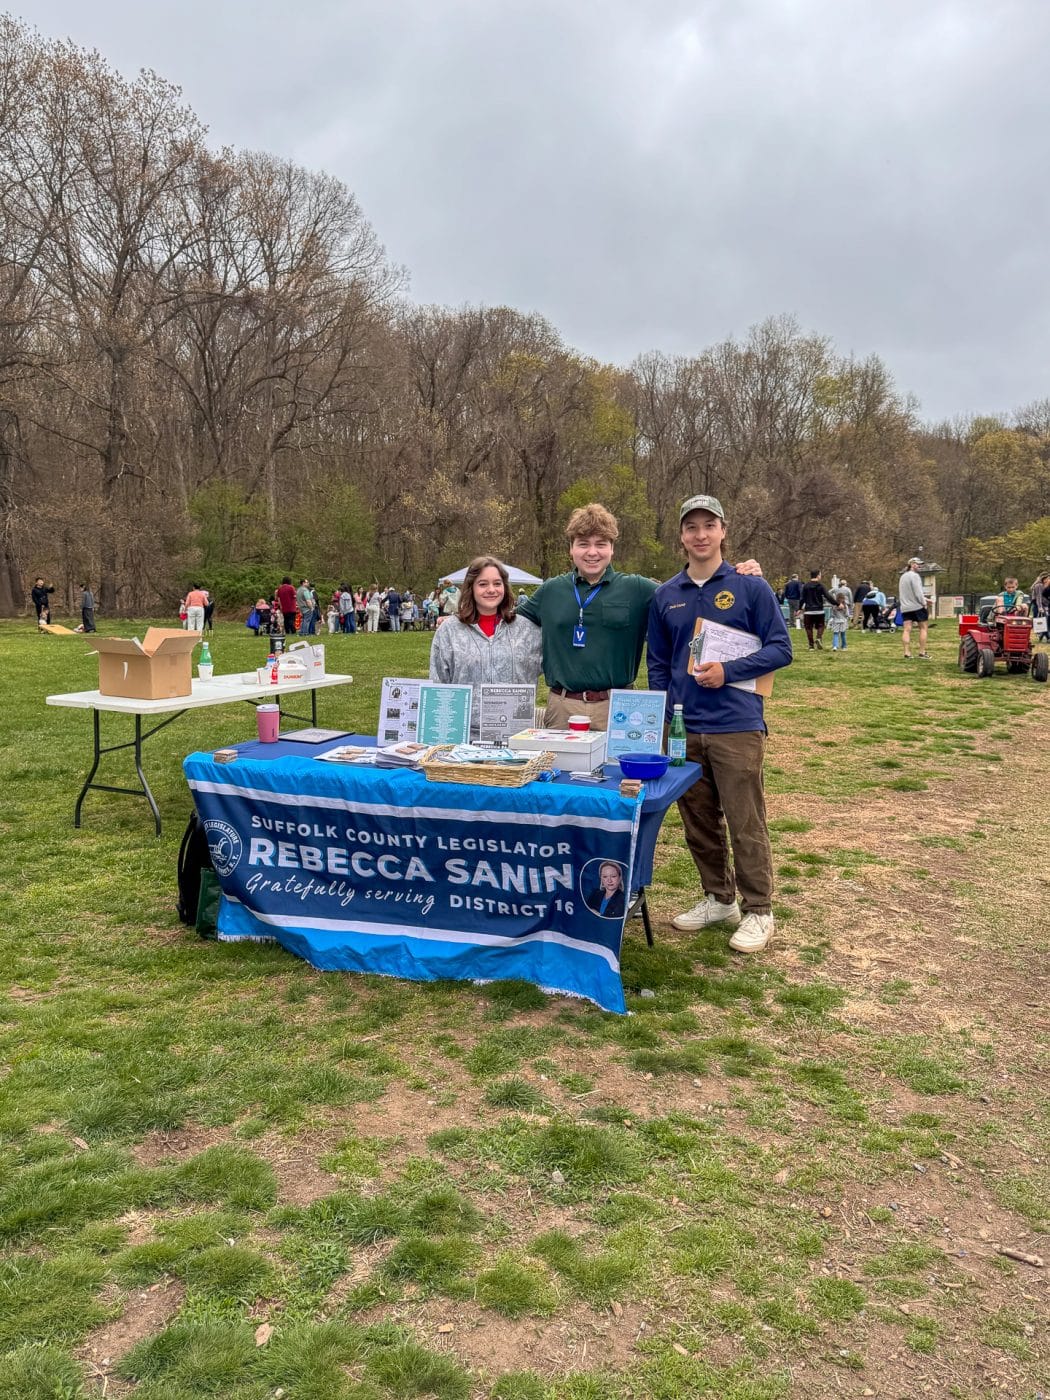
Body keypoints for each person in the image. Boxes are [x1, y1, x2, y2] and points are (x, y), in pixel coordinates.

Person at [647, 495, 792, 954]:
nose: (701, 534)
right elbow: (657, 664)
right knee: (698, 820)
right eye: (692, 527)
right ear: (681, 537)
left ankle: (759, 910)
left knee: (745, 821)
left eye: (709, 525)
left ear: (723, 531)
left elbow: (781, 648)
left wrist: (728, 672)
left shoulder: (751, 587)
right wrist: (663, 713)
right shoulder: (666, 595)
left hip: (736, 725)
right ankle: (718, 897)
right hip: (684, 729)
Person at [518, 501, 763, 730]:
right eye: (583, 544)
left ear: (612, 549)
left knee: (618, 776)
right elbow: (506, 622)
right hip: (562, 706)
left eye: (601, 544)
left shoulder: (638, 589)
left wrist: (735, 577)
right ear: (571, 548)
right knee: (558, 774)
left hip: (617, 706)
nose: (592, 552)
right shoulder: (551, 590)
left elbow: (690, 595)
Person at [428, 555, 543, 737]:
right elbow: (437, 684)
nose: (491, 590)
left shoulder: (528, 629)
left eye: (497, 583)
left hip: (516, 736)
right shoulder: (449, 630)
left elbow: (557, 665)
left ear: (505, 587)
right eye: (483, 584)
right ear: (471, 588)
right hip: (464, 738)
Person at [898, 557, 930, 659]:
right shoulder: (915, 576)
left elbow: (906, 593)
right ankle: (922, 652)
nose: (920, 566)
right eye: (918, 564)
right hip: (917, 607)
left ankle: (907, 652)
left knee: (906, 630)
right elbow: (918, 592)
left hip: (905, 607)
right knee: (923, 628)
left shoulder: (903, 577)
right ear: (911, 564)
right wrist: (924, 602)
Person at [800, 569, 835, 650]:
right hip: (819, 610)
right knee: (821, 625)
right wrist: (837, 603)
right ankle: (819, 637)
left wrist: (799, 608)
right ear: (818, 575)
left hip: (808, 611)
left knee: (808, 628)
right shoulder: (821, 585)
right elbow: (828, 596)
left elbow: (802, 598)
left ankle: (811, 646)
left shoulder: (805, 586)